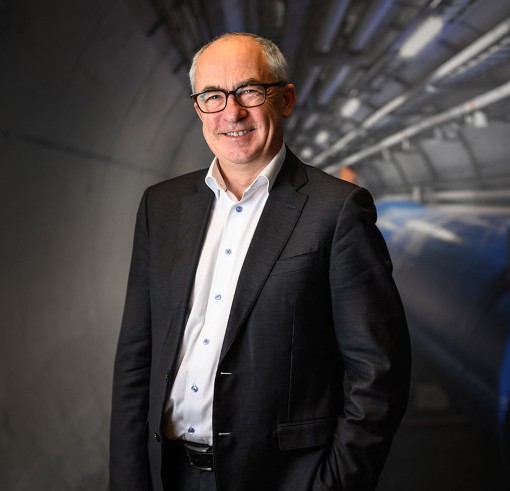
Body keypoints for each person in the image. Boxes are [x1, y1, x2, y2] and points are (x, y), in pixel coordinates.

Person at [110, 32, 411, 491]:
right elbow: (136, 357)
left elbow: (378, 373)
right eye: (212, 95)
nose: (231, 112)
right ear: (198, 109)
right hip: (169, 475)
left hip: (283, 479)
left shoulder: (336, 210)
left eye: (249, 91)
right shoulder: (162, 206)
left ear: (285, 99)